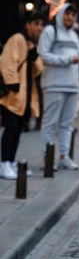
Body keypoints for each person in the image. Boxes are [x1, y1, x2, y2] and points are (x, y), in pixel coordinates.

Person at [39, 4, 79, 170]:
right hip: (54, 84)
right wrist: (67, 60)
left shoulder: (74, 35)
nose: (69, 18)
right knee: (50, 123)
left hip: (72, 85)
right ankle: (47, 158)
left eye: (72, 15)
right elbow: (44, 56)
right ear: (60, 15)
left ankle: (64, 156)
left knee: (67, 124)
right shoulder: (51, 32)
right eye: (67, 14)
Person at [0, 12, 45, 180]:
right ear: (28, 24)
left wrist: (33, 54)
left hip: (26, 95)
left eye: (41, 24)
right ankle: (4, 163)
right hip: (14, 94)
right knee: (11, 128)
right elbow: (7, 62)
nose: (39, 28)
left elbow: (39, 68)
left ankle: (10, 162)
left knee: (18, 129)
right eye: (36, 24)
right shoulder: (18, 39)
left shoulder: (33, 44)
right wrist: (12, 84)